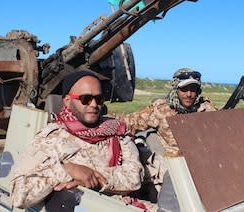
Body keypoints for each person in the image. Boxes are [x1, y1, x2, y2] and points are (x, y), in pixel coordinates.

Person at [10, 70, 145, 209]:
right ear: (68, 101)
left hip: (124, 205)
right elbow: (19, 195)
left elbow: (134, 178)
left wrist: (88, 176)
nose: (93, 104)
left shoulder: (115, 130)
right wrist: (67, 170)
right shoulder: (51, 138)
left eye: (98, 99)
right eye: (85, 99)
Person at [117, 68, 217, 157]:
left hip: (203, 159)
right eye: (184, 90)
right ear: (175, 90)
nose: (189, 94)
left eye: (193, 90)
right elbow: (130, 122)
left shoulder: (207, 110)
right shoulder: (160, 110)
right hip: (173, 163)